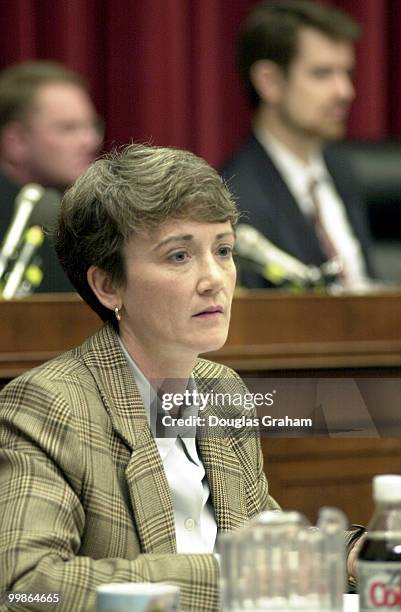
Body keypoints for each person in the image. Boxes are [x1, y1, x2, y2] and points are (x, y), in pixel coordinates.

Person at [0, 144, 363, 611]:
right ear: (108, 284)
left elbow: (265, 540)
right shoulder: (49, 405)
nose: (215, 278)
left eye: (224, 250)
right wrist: (231, 575)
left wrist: (354, 556)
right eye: (179, 256)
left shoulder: (221, 392)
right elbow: (26, 584)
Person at [221, 0, 376, 289]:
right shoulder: (236, 194)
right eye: (322, 73)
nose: (346, 91)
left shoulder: (341, 168)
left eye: (347, 73)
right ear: (269, 82)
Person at [0, 60, 102, 293]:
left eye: (92, 126)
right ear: (15, 141)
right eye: (68, 128)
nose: (89, 141)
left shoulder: (83, 216)